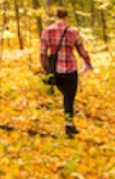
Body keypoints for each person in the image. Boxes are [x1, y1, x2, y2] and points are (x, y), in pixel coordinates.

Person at [38, 7, 93, 136]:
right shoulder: (73, 32)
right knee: (69, 98)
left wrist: (45, 69)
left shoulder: (47, 31)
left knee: (64, 95)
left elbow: (42, 53)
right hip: (70, 70)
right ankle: (69, 124)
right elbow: (82, 51)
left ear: (55, 17)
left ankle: (70, 125)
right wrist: (88, 62)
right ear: (67, 17)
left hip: (55, 71)